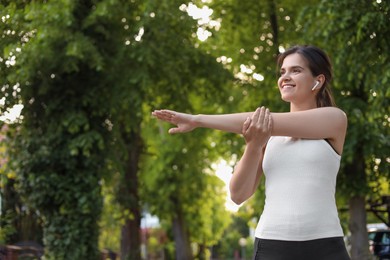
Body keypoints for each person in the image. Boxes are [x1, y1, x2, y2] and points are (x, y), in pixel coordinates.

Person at [152, 45, 350, 260]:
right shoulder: (266, 135)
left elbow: (264, 121)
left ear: (318, 80)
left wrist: (197, 119)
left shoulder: (334, 119)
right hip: (272, 245)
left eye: (296, 70)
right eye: (282, 71)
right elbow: (238, 195)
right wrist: (253, 146)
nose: (285, 77)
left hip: (326, 245)